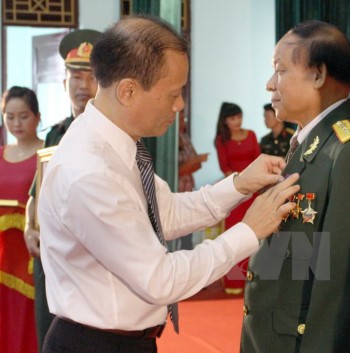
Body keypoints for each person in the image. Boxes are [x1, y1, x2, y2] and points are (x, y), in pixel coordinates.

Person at [38, 15, 300, 353]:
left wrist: (239, 185)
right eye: (173, 94)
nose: (179, 106)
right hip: (96, 344)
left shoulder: (115, 145)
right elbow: (160, 279)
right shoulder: (91, 171)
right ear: (128, 91)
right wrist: (249, 230)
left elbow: (166, 213)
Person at [240, 20, 350, 353]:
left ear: (318, 75)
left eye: (280, 71)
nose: (270, 84)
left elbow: (348, 290)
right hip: (276, 336)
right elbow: (301, 253)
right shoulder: (311, 144)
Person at [23, 28, 101, 352]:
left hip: (92, 259)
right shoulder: (54, 135)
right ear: (64, 82)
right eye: (75, 77)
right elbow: (35, 194)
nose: (82, 86)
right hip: (51, 261)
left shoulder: (116, 136)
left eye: (90, 77)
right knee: (49, 337)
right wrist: (29, 226)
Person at [0, 86, 43, 353]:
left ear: (38, 117)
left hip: (31, 256)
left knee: (30, 320)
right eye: (9, 116)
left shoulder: (47, 154)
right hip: (2, 255)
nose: (16, 123)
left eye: (24, 116)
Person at [214, 102, 261, 294]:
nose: (237, 121)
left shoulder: (251, 134)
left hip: (255, 191)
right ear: (225, 121)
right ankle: (234, 283)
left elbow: (258, 159)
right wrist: (242, 183)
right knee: (236, 235)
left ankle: (256, 281)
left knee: (257, 233)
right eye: (233, 118)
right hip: (235, 192)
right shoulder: (221, 140)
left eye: (239, 117)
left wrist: (255, 182)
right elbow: (224, 167)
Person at [177, 109, 209, 250]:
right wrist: (193, 161)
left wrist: (194, 162)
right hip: (176, 187)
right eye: (181, 116)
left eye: (183, 115)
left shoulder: (184, 137)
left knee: (187, 231)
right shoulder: (169, 138)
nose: (183, 119)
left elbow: (197, 164)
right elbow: (177, 170)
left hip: (188, 187)